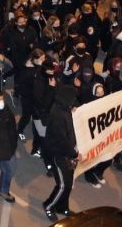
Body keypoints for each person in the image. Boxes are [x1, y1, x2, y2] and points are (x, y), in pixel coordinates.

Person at [42, 84, 79, 222]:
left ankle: (62, 207)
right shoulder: (58, 115)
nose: (74, 101)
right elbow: (62, 140)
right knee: (63, 184)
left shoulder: (63, 108)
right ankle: (48, 205)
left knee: (68, 183)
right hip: (58, 154)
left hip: (65, 153)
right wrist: (74, 154)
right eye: (73, 99)